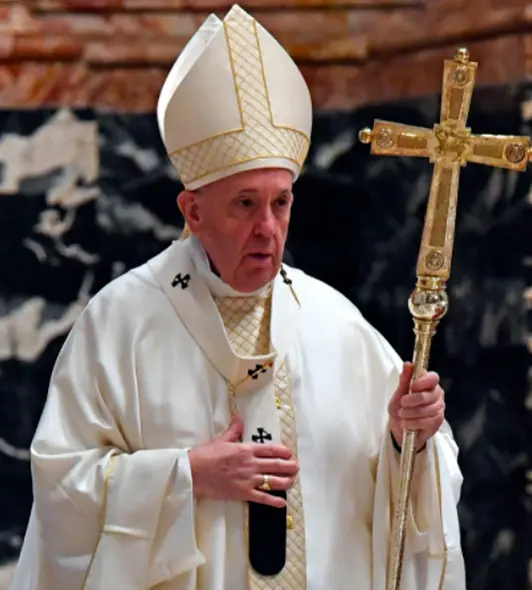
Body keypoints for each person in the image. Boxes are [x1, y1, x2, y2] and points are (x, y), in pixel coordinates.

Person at [9, 4, 465, 590]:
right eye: (245, 204)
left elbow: (397, 504)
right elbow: (60, 491)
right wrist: (185, 476)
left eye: (281, 202)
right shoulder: (122, 322)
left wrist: (410, 437)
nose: (268, 228)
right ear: (193, 211)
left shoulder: (335, 324)